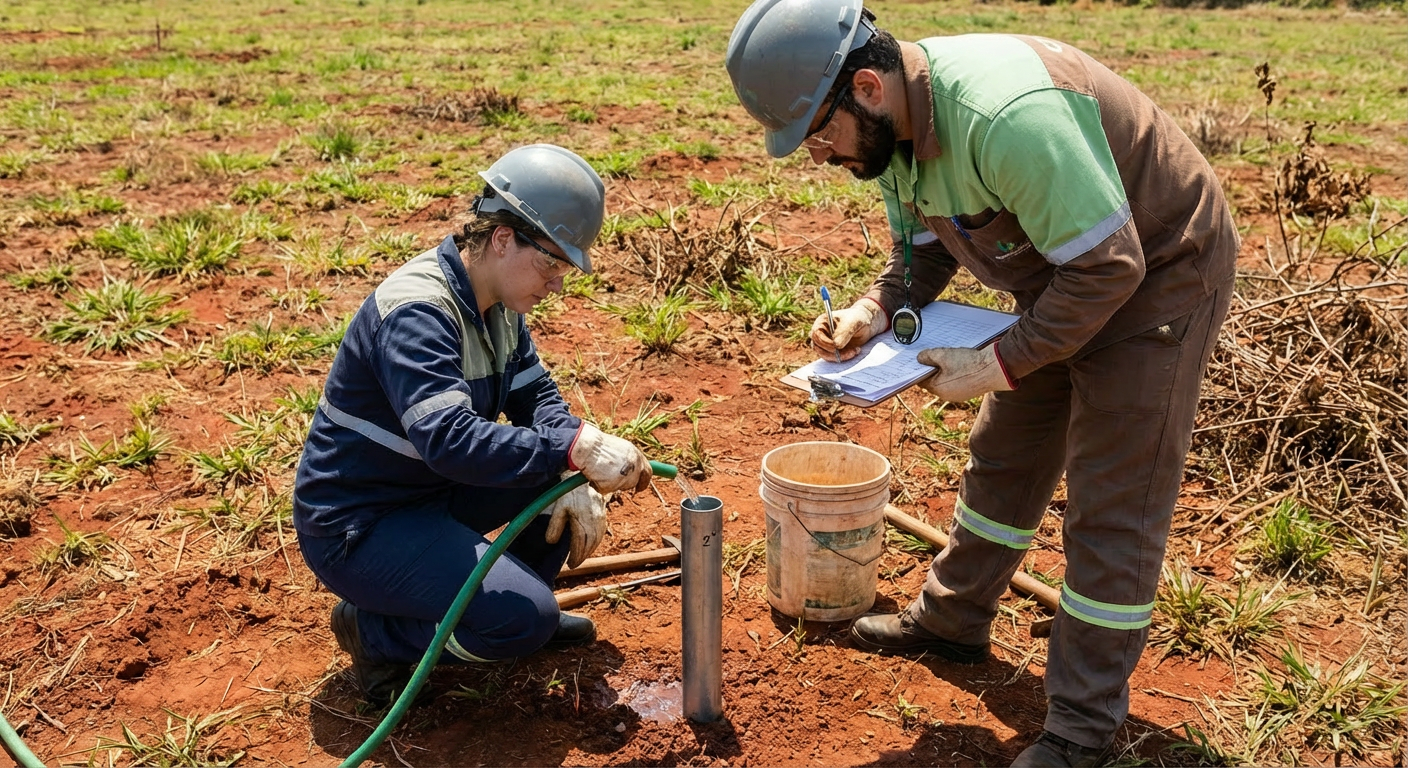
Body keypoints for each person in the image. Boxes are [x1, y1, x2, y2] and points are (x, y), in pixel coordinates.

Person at [726, 2, 1237, 766]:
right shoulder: (892, 135)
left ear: (866, 85)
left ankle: (1080, 729)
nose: (821, 158)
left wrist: (997, 362)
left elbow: (1110, 268)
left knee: (1110, 507)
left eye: (819, 136)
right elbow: (924, 251)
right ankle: (953, 621)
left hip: (1158, 278)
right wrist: (875, 308)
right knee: (1006, 452)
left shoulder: (1007, 117)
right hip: (1067, 278)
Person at [292, 144, 655, 707]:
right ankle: (378, 632)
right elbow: (449, 441)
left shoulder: (501, 306)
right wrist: (574, 449)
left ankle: (509, 605)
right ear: (504, 238)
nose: (557, 282)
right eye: (552, 262)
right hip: (360, 525)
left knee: (551, 481)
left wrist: (570, 455)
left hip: (428, 495)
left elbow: (537, 397)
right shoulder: (419, 312)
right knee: (522, 619)